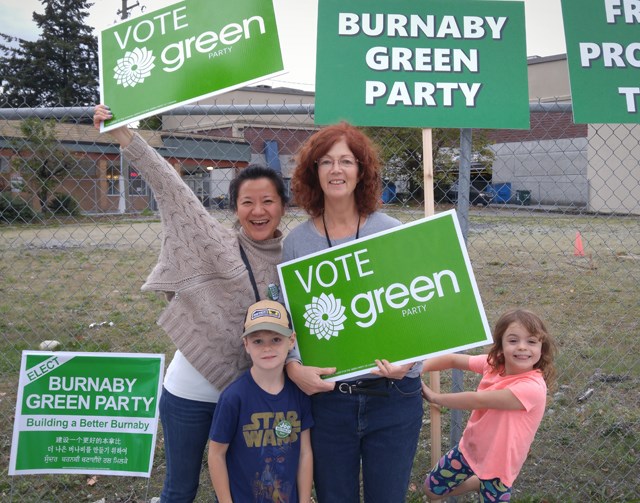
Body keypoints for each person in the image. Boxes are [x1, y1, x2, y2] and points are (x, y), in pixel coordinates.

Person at [93, 105, 288, 502]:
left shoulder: (296, 258)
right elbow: (169, 186)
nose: (258, 211)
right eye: (247, 202)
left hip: (252, 395)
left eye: (267, 201)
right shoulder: (214, 240)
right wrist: (125, 135)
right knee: (179, 489)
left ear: (283, 205)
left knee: (245, 490)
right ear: (235, 207)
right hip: (191, 391)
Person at [282, 122, 423, 502]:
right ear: (314, 172)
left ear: (362, 171)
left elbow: (418, 309)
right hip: (330, 402)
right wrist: (294, 367)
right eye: (325, 161)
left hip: (393, 398)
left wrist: (411, 361)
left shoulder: (391, 232)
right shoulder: (297, 243)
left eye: (346, 161)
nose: (336, 169)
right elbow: (289, 320)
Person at [420, 308, 558, 502]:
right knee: (431, 490)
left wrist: (435, 397)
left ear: (541, 348)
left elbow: (479, 400)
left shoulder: (532, 387)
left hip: (499, 469)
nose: (522, 347)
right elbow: (452, 359)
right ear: (500, 346)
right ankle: (478, 482)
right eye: (513, 340)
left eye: (531, 341)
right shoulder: (494, 364)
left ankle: (481, 483)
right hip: (469, 450)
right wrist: (417, 369)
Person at [208, 299, 313, 503]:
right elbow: (216, 454)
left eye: (276, 339)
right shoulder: (233, 397)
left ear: (291, 341)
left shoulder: (299, 393)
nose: (267, 348)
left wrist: (305, 500)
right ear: (246, 344)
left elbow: (304, 452)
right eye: (257, 341)